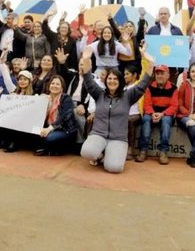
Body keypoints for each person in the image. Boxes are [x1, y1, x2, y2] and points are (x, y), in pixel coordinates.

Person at [80, 45, 154, 173]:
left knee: (114, 168)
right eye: (109, 78)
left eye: (115, 79)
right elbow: (88, 80)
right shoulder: (99, 94)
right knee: (86, 152)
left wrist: (150, 62)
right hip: (98, 134)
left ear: (120, 81)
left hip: (118, 138)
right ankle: (100, 155)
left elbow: (143, 83)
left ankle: (110, 156)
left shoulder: (128, 96)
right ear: (106, 80)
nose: (112, 81)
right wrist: (86, 59)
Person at [137, 64, 178, 165]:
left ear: (168, 75)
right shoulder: (149, 87)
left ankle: (163, 152)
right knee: (146, 119)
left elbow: (174, 106)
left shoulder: (174, 88)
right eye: (157, 74)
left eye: (162, 73)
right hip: (152, 113)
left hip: (166, 114)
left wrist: (162, 114)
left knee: (166, 121)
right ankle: (143, 151)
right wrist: (152, 113)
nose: (159, 76)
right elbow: (147, 104)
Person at [34, 76, 78, 156]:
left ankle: (57, 149)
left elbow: (65, 117)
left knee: (50, 138)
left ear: (62, 88)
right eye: (53, 83)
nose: (54, 85)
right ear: (49, 86)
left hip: (65, 130)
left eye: (58, 84)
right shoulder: (45, 98)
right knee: (33, 132)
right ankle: (50, 149)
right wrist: (39, 101)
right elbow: (37, 115)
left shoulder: (66, 98)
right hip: (48, 128)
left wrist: (49, 129)